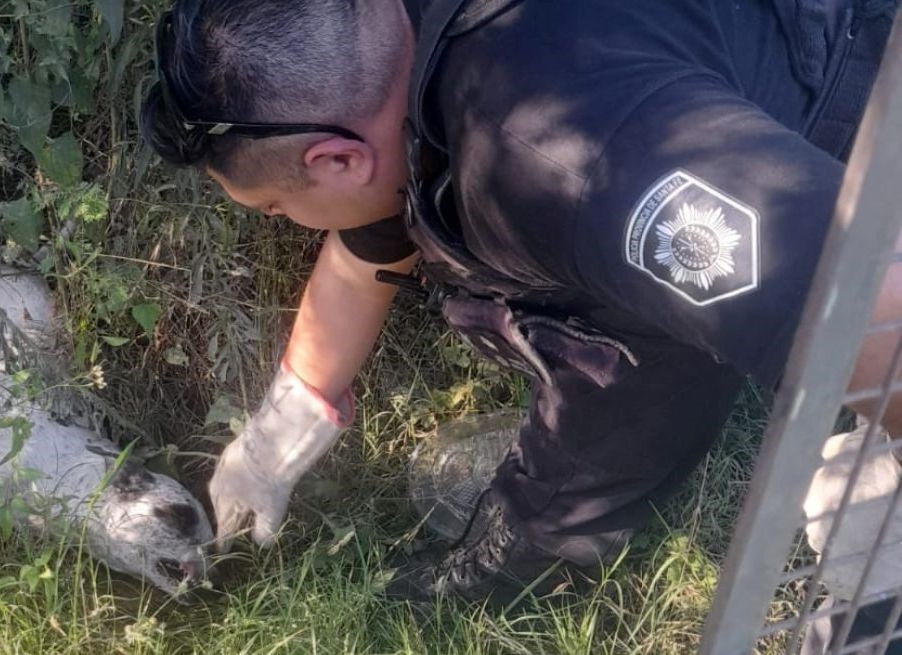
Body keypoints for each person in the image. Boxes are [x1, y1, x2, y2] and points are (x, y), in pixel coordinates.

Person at [141, 0, 900, 631]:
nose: (284, 222)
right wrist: (276, 435)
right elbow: (365, 240)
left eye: (277, 207)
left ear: (337, 161)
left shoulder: (565, 165)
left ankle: (524, 561)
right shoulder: (395, 49)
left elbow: (871, 315)